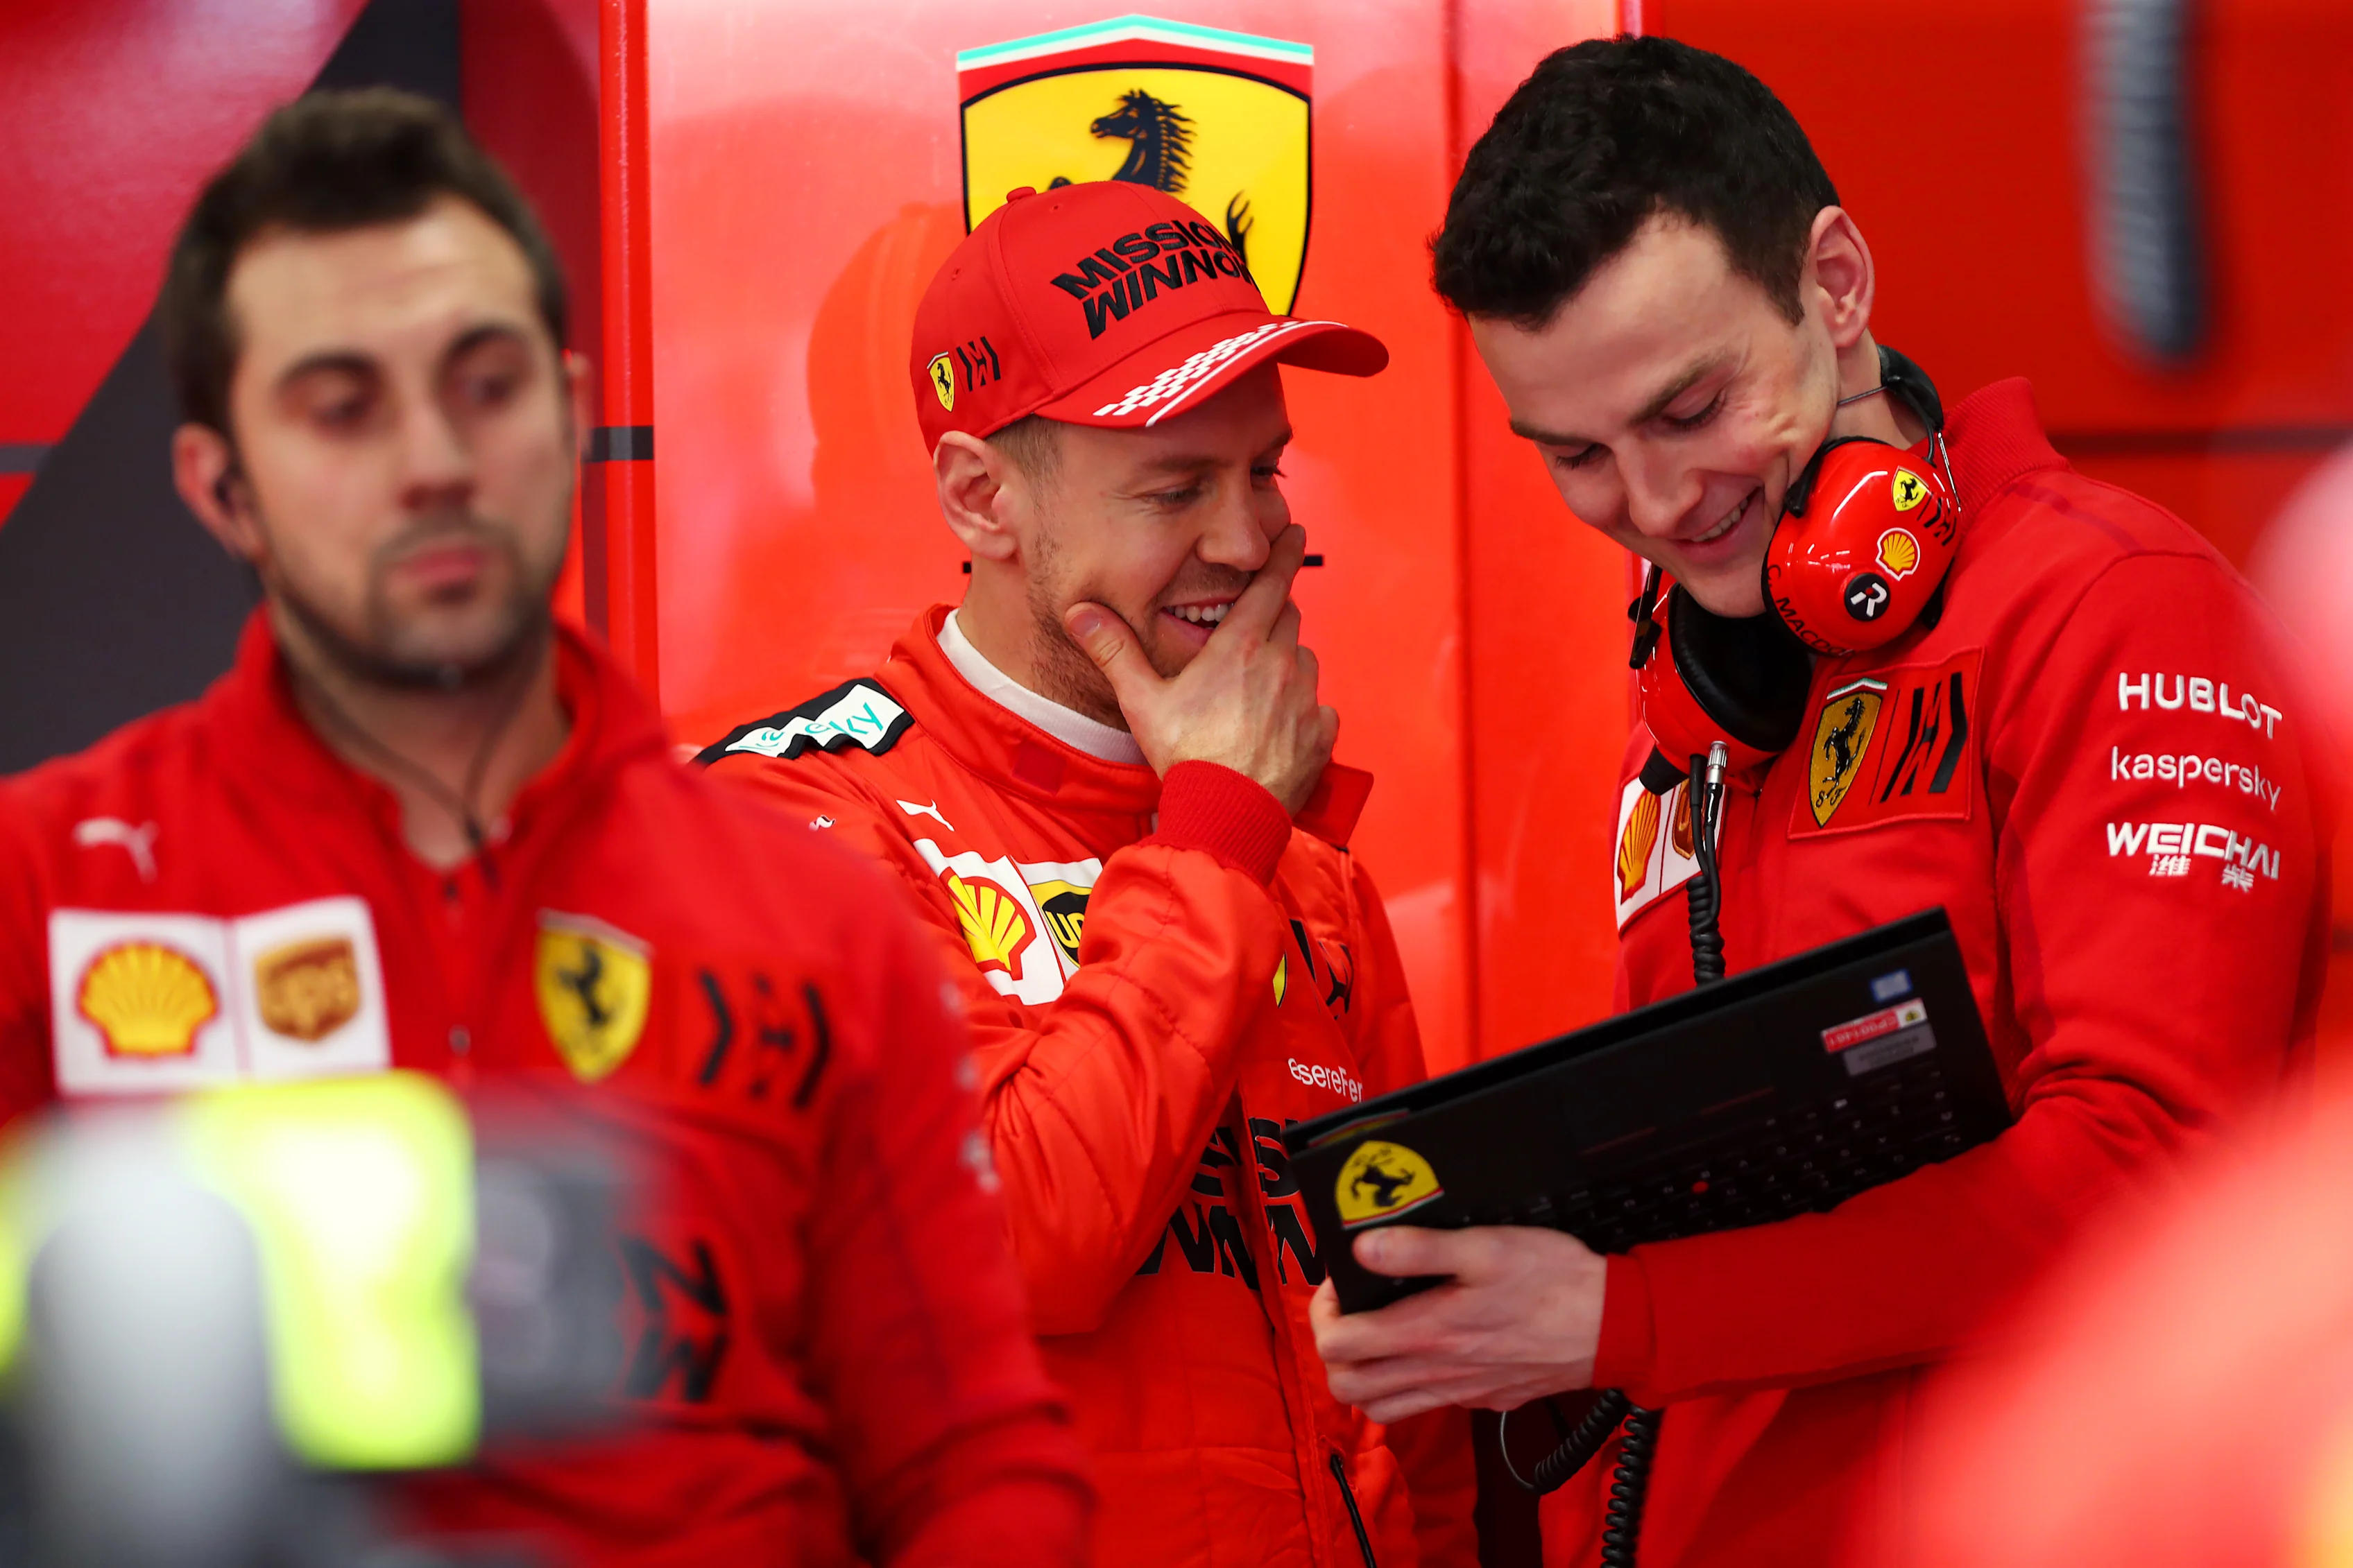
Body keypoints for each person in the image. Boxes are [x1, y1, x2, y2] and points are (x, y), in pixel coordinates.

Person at [0, 89, 1089, 1568]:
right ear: (221, 486)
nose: (435, 457)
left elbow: (972, 1461)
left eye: (486, 381)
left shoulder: (811, 913)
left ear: (572, 408)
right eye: (341, 405)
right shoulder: (48, 888)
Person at [1306, 37, 2330, 1568]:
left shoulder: (2108, 606)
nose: (1652, 508)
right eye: (1577, 453)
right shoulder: (1706, 699)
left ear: (1834, 284)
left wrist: (1615, 1314)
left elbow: (2152, 1176)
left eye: (1690, 404)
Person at [698, 179, 1478, 1568]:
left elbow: (1406, 1374)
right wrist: (1218, 831)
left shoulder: (1297, 865)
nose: (1246, 542)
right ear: (981, 496)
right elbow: (1009, 1242)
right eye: (1174, 487)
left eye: (1263, 472)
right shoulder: (782, 817)